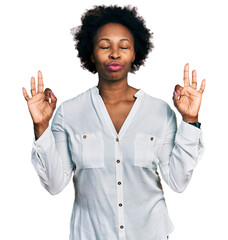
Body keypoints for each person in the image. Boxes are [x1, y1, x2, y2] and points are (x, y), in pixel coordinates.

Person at [22, 5, 205, 240]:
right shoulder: (70, 113)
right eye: (105, 46)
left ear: (135, 53)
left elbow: (178, 182)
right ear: (91, 53)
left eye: (124, 46)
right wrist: (41, 126)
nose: (115, 54)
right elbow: (55, 185)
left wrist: (190, 121)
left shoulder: (159, 111)